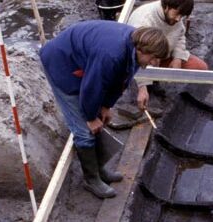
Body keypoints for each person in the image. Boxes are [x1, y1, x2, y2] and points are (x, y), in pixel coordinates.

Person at [40, 22, 169, 199]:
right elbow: (91, 88)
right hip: (61, 63)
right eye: (153, 58)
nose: (155, 63)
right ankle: (91, 179)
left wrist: (106, 106)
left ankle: (99, 169)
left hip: (82, 59)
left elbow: (120, 80)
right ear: (142, 50)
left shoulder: (133, 49)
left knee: (96, 113)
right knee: (84, 130)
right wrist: (91, 117)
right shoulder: (111, 54)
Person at [127, 0, 208, 110]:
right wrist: (142, 86)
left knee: (200, 68)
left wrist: (177, 58)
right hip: (140, 62)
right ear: (166, 7)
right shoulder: (144, 21)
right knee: (141, 89)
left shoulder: (175, 17)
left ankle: (155, 81)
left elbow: (180, 35)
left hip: (161, 56)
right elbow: (135, 57)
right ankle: (143, 85)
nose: (179, 19)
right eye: (177, 14)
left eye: (182, 15)